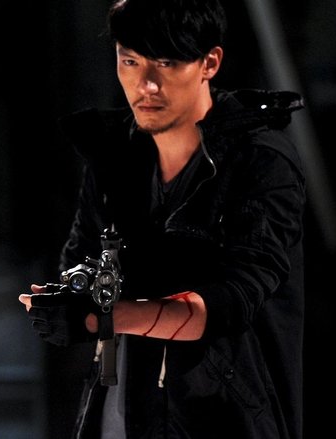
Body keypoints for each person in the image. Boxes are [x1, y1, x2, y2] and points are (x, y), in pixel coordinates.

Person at [18, 0, 306, 438]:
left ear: (209, 62)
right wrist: (65, 300)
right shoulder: (113, 157)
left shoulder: (260, 161)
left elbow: (235, 300)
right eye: (130, 61)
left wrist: (103, 317)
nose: (146, 84)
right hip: (120, 414)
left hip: (223, 418)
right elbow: (78, 260)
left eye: (167, 63)